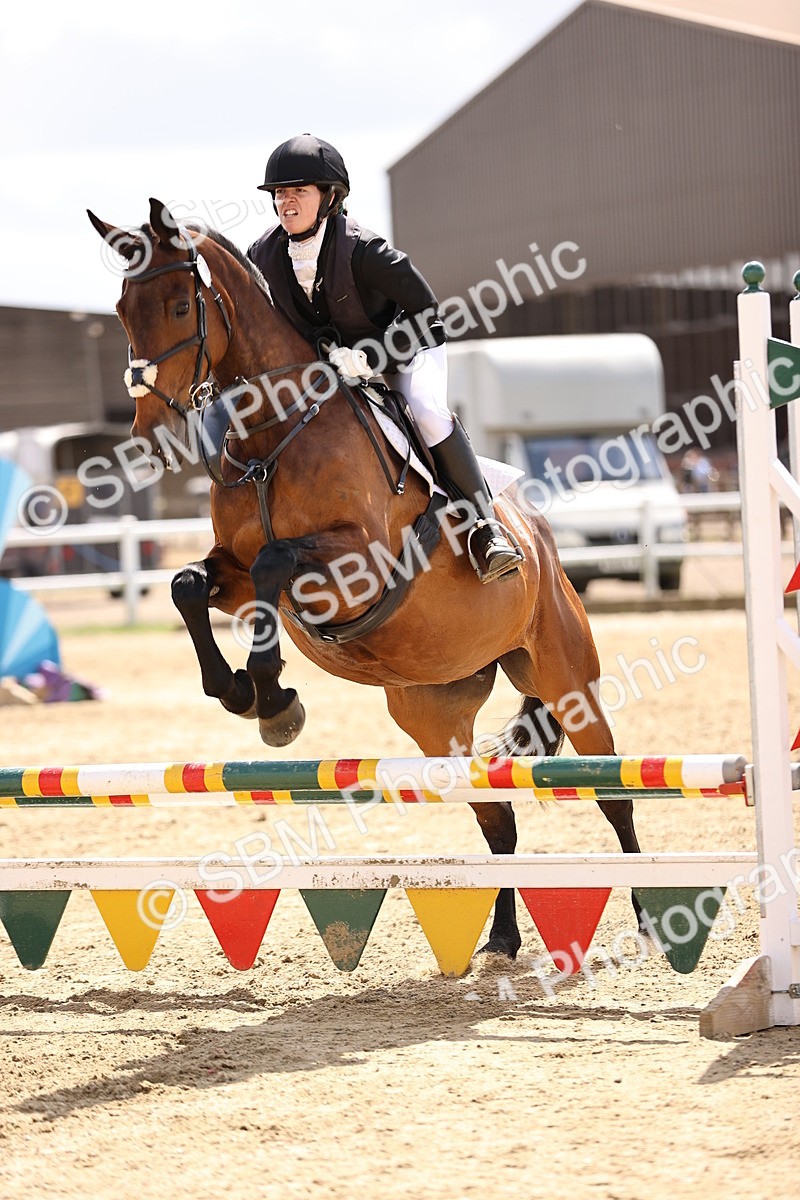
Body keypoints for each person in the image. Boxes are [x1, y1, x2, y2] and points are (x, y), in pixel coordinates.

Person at [247, 133, 523, 584]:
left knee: (429, 414)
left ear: (330, 197)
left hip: (406, 350)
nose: (286, 202)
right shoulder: (263, 255)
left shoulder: (367, 251)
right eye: (280, 193)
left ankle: (486, 527)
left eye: (298, 191)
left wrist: (374, 357)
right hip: (332, 368)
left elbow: (429, 315)